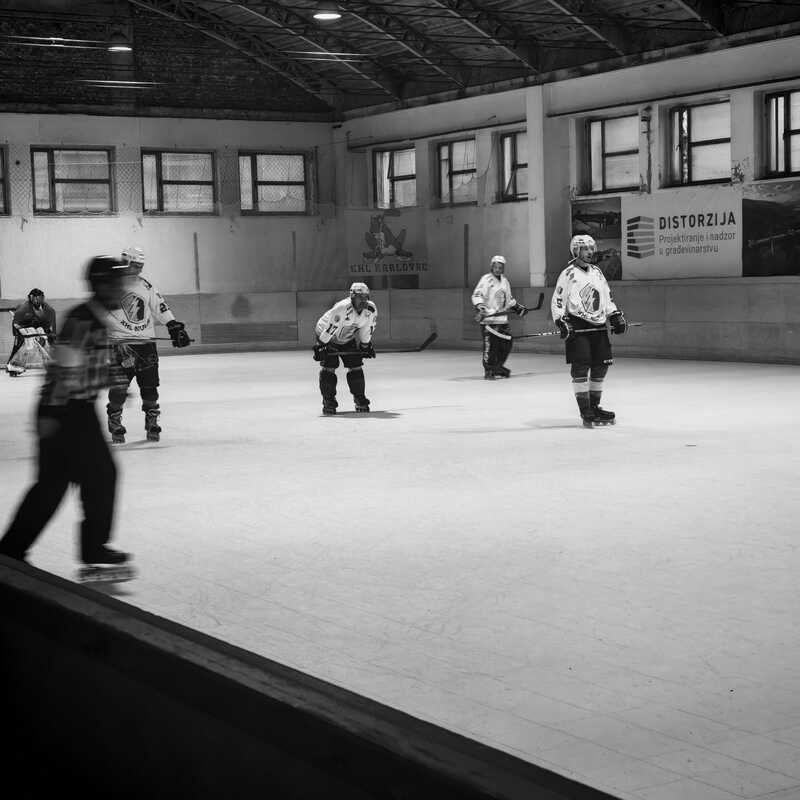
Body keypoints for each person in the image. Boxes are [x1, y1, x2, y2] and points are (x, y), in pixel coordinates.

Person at [0, 256, 138, 567]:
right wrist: (51, 417)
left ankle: (13, 550)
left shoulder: (94, 318)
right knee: (88, 477)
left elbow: (89, 365)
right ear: (101, 285)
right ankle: (82, 548)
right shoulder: (82, 320)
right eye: (116, 284)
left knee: (61, 484)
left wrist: (115, 377)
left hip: (72, 410)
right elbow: (64, 373)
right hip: (66, 412)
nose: (121, 290)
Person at [104, 246, 191, 443]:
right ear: (125, 263)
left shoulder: (146, 285)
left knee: (150, 387)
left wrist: (173, 326)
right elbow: (101, 313)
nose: (139, 269)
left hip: (146, 345)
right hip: (121, 345)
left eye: (141, 266)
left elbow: (160, 307)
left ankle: (151, 421)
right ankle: (114, 420)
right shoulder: (111, 286)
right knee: (119, 389)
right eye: (135, 265)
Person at [551, 234, 628, 428]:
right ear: (576, 251)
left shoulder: (597, 272)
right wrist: (560, 320)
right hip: (578, 325)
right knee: (581, 366)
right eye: (585, 248)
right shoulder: (568, 274)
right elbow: (558, 300)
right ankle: (585, 410)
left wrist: (614, 315)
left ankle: (594, 406)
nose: (590, 252)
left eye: (592, 248)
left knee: (602, 365)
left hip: (599, 325)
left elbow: (607, 297)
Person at [313, 282, 377, 415]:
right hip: (327, 335)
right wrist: (321, 346)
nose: (363, 301)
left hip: (346, 337)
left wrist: (365, 345)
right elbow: (329, 330)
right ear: (352, 297)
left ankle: (360, 399)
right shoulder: (342, 308)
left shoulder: (370, 309)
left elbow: (367, 328)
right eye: (360, 297)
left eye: (365, 297)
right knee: (329, 367)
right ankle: (328, 402)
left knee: (356, 366)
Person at [471, 255, 528, 379]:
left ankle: (497, 367)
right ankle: (489, 369)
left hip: (502, 320)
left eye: (500, 267)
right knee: (490, 347)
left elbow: (509, 299)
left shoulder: (505, 281)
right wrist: (481, 307)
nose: (498, 269)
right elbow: (477, 295)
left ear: (503, 268)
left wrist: (517, 307)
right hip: (489, 321)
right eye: (495, 267)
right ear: (492, 267)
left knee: (507, 344)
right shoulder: (486, 279)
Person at [6, 288, 57, 376]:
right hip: (21, 327)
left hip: (37, 326)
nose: (38, 301)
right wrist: (26, 334)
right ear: (31, 298)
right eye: (36, 298)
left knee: (45, 342)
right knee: (23, 345)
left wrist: (50, 334)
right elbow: (17, 324)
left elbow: (50, 324)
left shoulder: (48, 309)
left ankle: (51, 364)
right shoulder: (23, 310)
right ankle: (13, 366)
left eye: (40, 298)